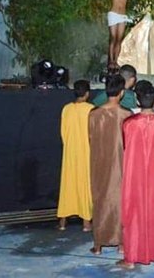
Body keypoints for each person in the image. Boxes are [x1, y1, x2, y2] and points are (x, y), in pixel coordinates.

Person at [118, 82, 154, 269]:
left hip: (136, 173)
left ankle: (134, 255)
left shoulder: (129, 123)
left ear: (137, 100)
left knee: (135, 210)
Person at [68, 0, 154, 70]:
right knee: (113, 38)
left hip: (122, 16)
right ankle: (111, 62)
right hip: (113, 15)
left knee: (119, 39)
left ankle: (115, 61)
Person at [88, 74, 132, 254]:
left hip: (99, 161)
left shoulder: (94, 114)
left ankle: (98, 244)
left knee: (99, 198)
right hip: (121, 163)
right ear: (122, 92)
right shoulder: (127, 115)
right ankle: (121, 243)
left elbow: (90, 138)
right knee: (120, 199)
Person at [57, 80, 94, 232]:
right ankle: (86, 223)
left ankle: (62, 223)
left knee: (67, 185)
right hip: (86, 152)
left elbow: (63, 133)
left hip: (70, 153)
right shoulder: (91, 109)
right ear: (87, 93)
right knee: (85, 185)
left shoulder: (66, 109)